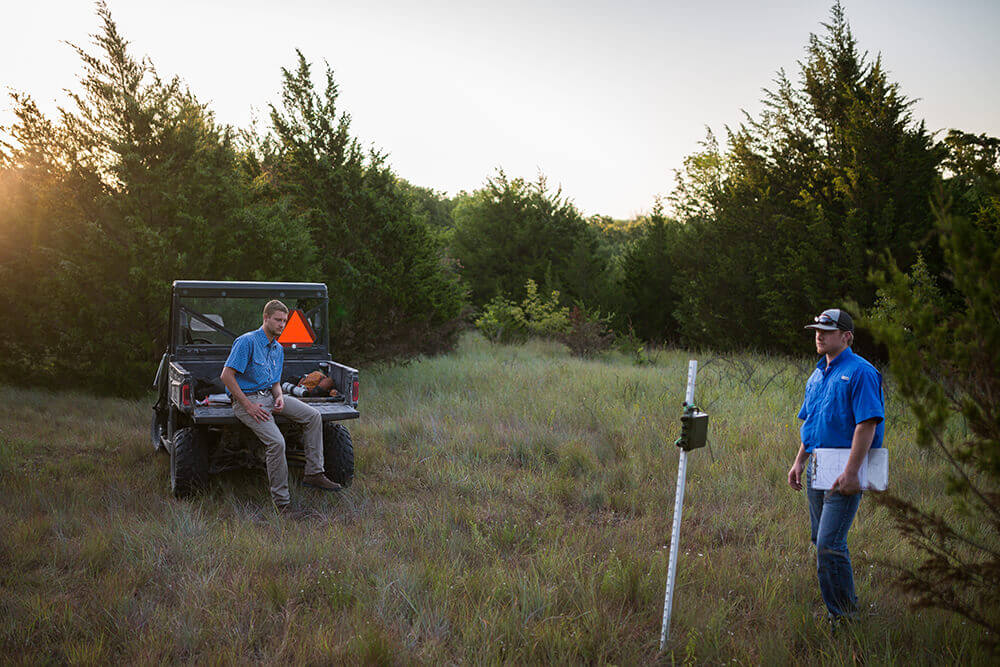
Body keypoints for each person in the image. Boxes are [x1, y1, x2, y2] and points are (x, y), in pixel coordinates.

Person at [787, 308, 884, 627]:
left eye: (827, 330)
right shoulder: (817, 375)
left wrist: (853, 472)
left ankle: (843, 617)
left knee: (830, 543)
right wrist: (800, 460)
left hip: (846, 470)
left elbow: (867, 424)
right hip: (818, 467)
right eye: (817, 329)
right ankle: (842, 606)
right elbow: (813, 423)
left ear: (846, 337)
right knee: (821, 540)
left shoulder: (861, 372)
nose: (819, 334)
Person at [220, 299, 340, 515]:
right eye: (277, 320)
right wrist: (248, 406)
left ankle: (314, 473)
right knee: (277, 442)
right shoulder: (246, 341)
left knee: (313, 416)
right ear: (265, 318)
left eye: (284, 321)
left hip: (270, 396)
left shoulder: (277, 348)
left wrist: (280, 397)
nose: (282, 325)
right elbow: (226, 376)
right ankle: (282, 503)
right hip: (248, 401)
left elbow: (275, 381)